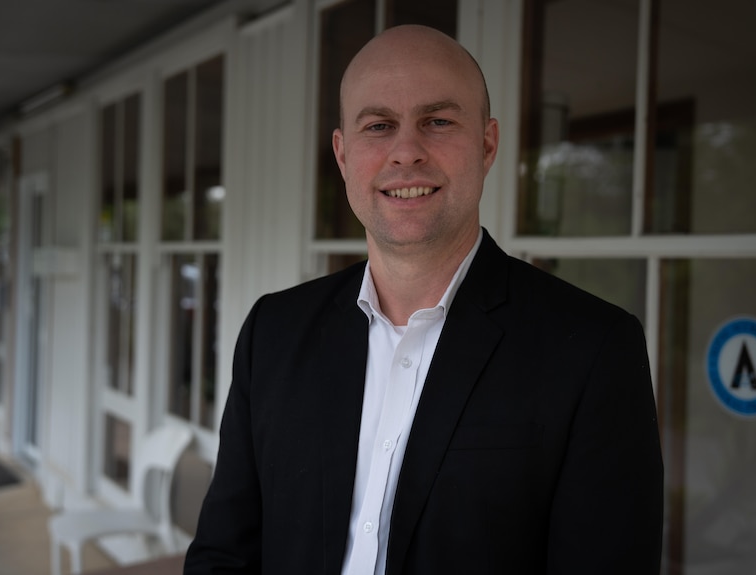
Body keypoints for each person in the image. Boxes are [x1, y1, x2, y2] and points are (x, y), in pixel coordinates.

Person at [184, 24, 663, 575]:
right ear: (343, 155)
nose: (406, 151)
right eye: (379, 125)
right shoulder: (274, 331)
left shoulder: (594, 351)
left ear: (487, 144)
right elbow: (223, 555)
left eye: (437, 121)